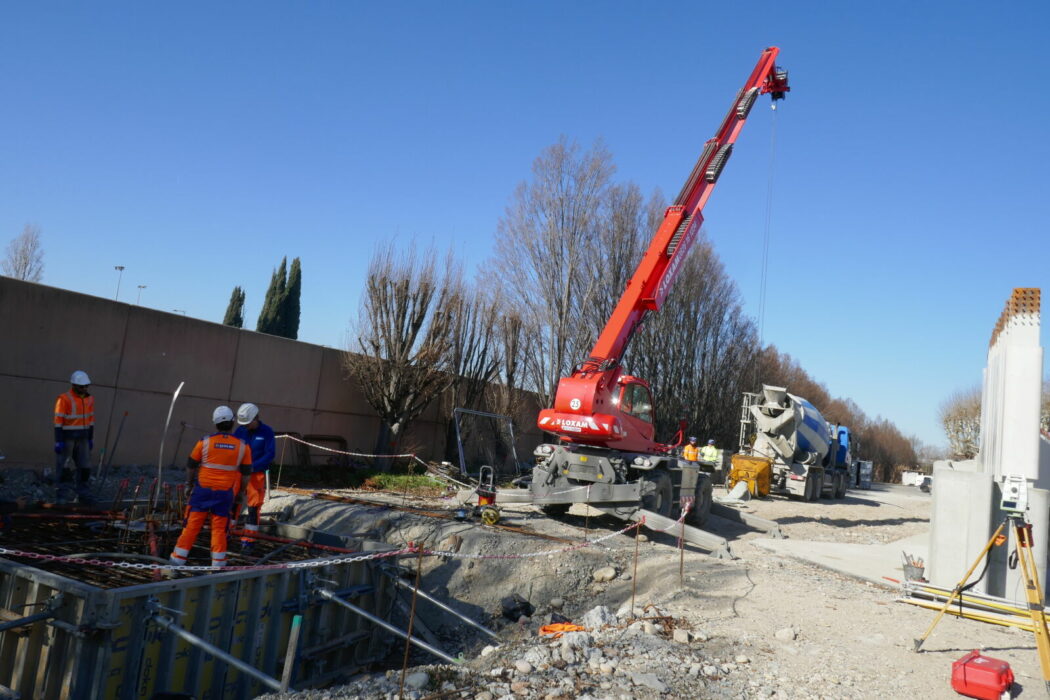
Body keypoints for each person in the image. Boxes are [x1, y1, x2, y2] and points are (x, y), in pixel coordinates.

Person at [169, 406, 252, 568]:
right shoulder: (243, 446)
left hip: (202, 492)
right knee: (219, 529)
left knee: (191, 527)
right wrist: (241, 493)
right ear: (232, 423)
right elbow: (246, 474)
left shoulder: (204, 442)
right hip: (224, 494)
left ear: (215, 424)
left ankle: (177, 561)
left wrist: (188, 485)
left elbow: (191, 465)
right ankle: (218, 564)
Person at [233, 402, 275, 551]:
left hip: (255, 475)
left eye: (248, 423)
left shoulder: (267, 432)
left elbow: (270, 454)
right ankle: (228, 532)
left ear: (256, 418)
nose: (245, 426)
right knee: (233, 502)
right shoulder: (240, 431)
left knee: (253, 507)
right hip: (238, 473)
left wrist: (252, 467)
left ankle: (249, 540)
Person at [53, 370, 95, 504]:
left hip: (83, 437)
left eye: (86, 386)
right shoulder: (63, 399)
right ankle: (63, 495)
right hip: (67, 438)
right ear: (74, 385)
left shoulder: (89, 399)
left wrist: (90, 437)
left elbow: (91, 420)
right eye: (82, 386)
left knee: (85, 467)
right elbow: (58, 420)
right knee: (64, 467)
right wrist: (59, 440)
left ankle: (84, 495)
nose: (84, 388)